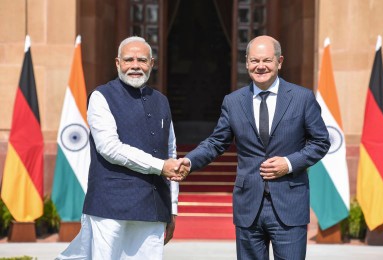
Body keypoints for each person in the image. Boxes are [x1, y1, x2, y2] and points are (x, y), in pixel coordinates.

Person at [177, 35, 330, 259]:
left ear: (279, 62)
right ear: (247, 63)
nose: (260, 66)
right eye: (254, 60)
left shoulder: (302, 98)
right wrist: (189, 161)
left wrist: (288, 164)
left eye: (267, 60)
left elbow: (321, 142)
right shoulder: (233, 101)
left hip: (289, 205)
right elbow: (216, 142)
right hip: (249, 206)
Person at [57, 36, 186, 260]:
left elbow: (171, 154)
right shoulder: (101, 96)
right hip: (110, 206)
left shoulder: (161, 101)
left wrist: (172, 208)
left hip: (153, 206)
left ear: (152, 64)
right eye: (128, 60)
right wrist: (160, 166)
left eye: (142, 60)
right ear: (117, 63)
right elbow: (110, 148)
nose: (135, 65)